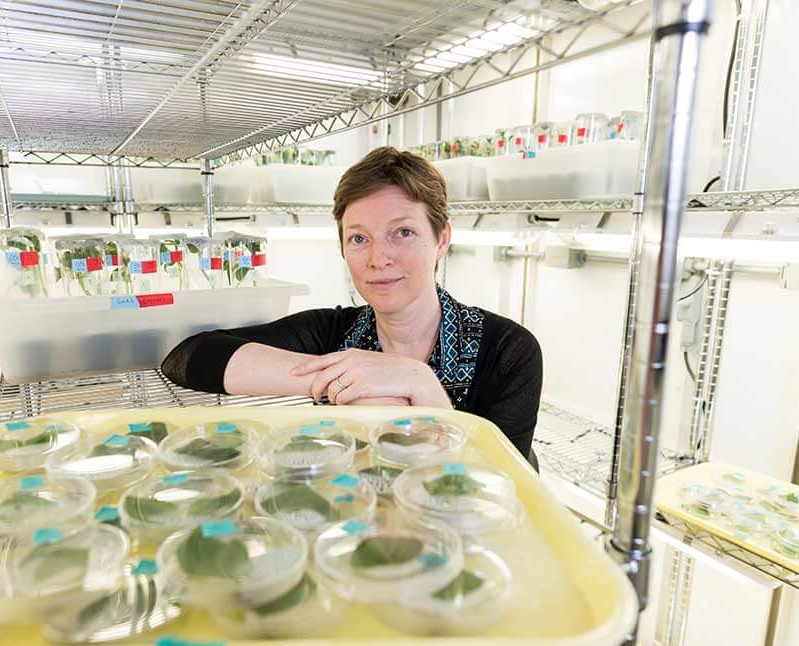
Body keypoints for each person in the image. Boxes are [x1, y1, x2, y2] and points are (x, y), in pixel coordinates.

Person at [161, 146, 543, 467]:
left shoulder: (507, 350)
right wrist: (336, 378)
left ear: (441, 239)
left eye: (403, 233)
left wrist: (418, 383)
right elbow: (186, 357)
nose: (378, 258)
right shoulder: (333, 333)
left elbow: (502, 487)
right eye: (359, 238)